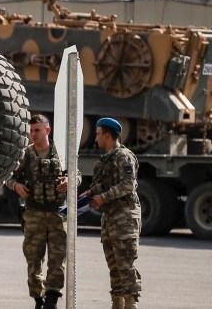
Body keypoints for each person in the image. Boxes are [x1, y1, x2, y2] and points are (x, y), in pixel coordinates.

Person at [6, 114, 81, 309]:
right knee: (33, 260)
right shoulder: (26, 154)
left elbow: (77, 174)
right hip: (34, 214)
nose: (33, 134)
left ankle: (52, 298)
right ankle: (38, 298)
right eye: (31, 131)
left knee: (57, 259)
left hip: (57, 215)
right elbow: (9, 177)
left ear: (47, 131)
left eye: (37, 130)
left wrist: (70, 180)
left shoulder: (61, 153)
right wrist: (16, 187)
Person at [79, 118, 141, 309]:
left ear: (107, 135)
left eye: (97, 134)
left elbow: (129, 184)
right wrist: (92, 192)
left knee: (125, 264)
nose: (95, 139)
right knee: (114, 266)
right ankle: (117, 303)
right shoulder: (107, 158)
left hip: (124, 217)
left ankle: (131, 304)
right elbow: (108, 183)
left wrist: (103, 197)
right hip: (110, 218)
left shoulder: (124, 156)